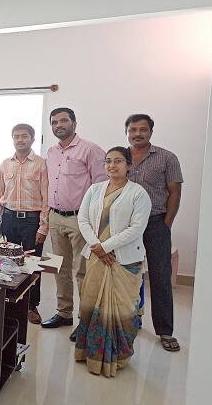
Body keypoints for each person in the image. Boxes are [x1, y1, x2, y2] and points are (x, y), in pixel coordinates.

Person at [75, 147, 151, 377]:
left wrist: (104, 247)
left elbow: (137, 228)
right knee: (91, 304)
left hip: (124, 260)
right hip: (96, 258)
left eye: (118, 161)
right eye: (108, 161)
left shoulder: (138, 194)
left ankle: (118, 356)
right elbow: (83, 219)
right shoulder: (94, 189)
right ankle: (90, 353)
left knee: (124, 310)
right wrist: (97, 246)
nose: (112, 165)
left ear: (129, 165)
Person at [42, 107, 106, 333]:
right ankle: (64, 313)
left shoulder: (90, 150)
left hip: (81, 219)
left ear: (74, 123)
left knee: (82, 271)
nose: (58, 125)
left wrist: (94, 221)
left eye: (63, 121)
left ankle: (85, 321)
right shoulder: (51, 152)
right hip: (55, 217)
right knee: (60, 267)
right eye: (54, 122)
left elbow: (101, 188)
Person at [125, 114, 183, 352]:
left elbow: (175, 192)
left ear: (151, 131)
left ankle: (165, 331)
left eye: (143, 129)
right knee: (127, 274)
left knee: (160, 277)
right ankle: (129, 320)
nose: (137, 134)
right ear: (127, 132)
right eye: (133, 130)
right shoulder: (121, 157)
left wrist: (166, 224)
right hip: (127, 226)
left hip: (156, 222)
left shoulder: (167, 158)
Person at [0, 124, 49, 325]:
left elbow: (46, 197)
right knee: (6, 261)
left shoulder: (41, 164)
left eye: (24, 136)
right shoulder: (5, 164)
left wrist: (43, 226)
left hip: (32, 220)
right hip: (9, 218)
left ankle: (31, 306)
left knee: (32, 263)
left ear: (32, 139)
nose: (20, 140)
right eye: (16, 136)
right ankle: (8, 302)